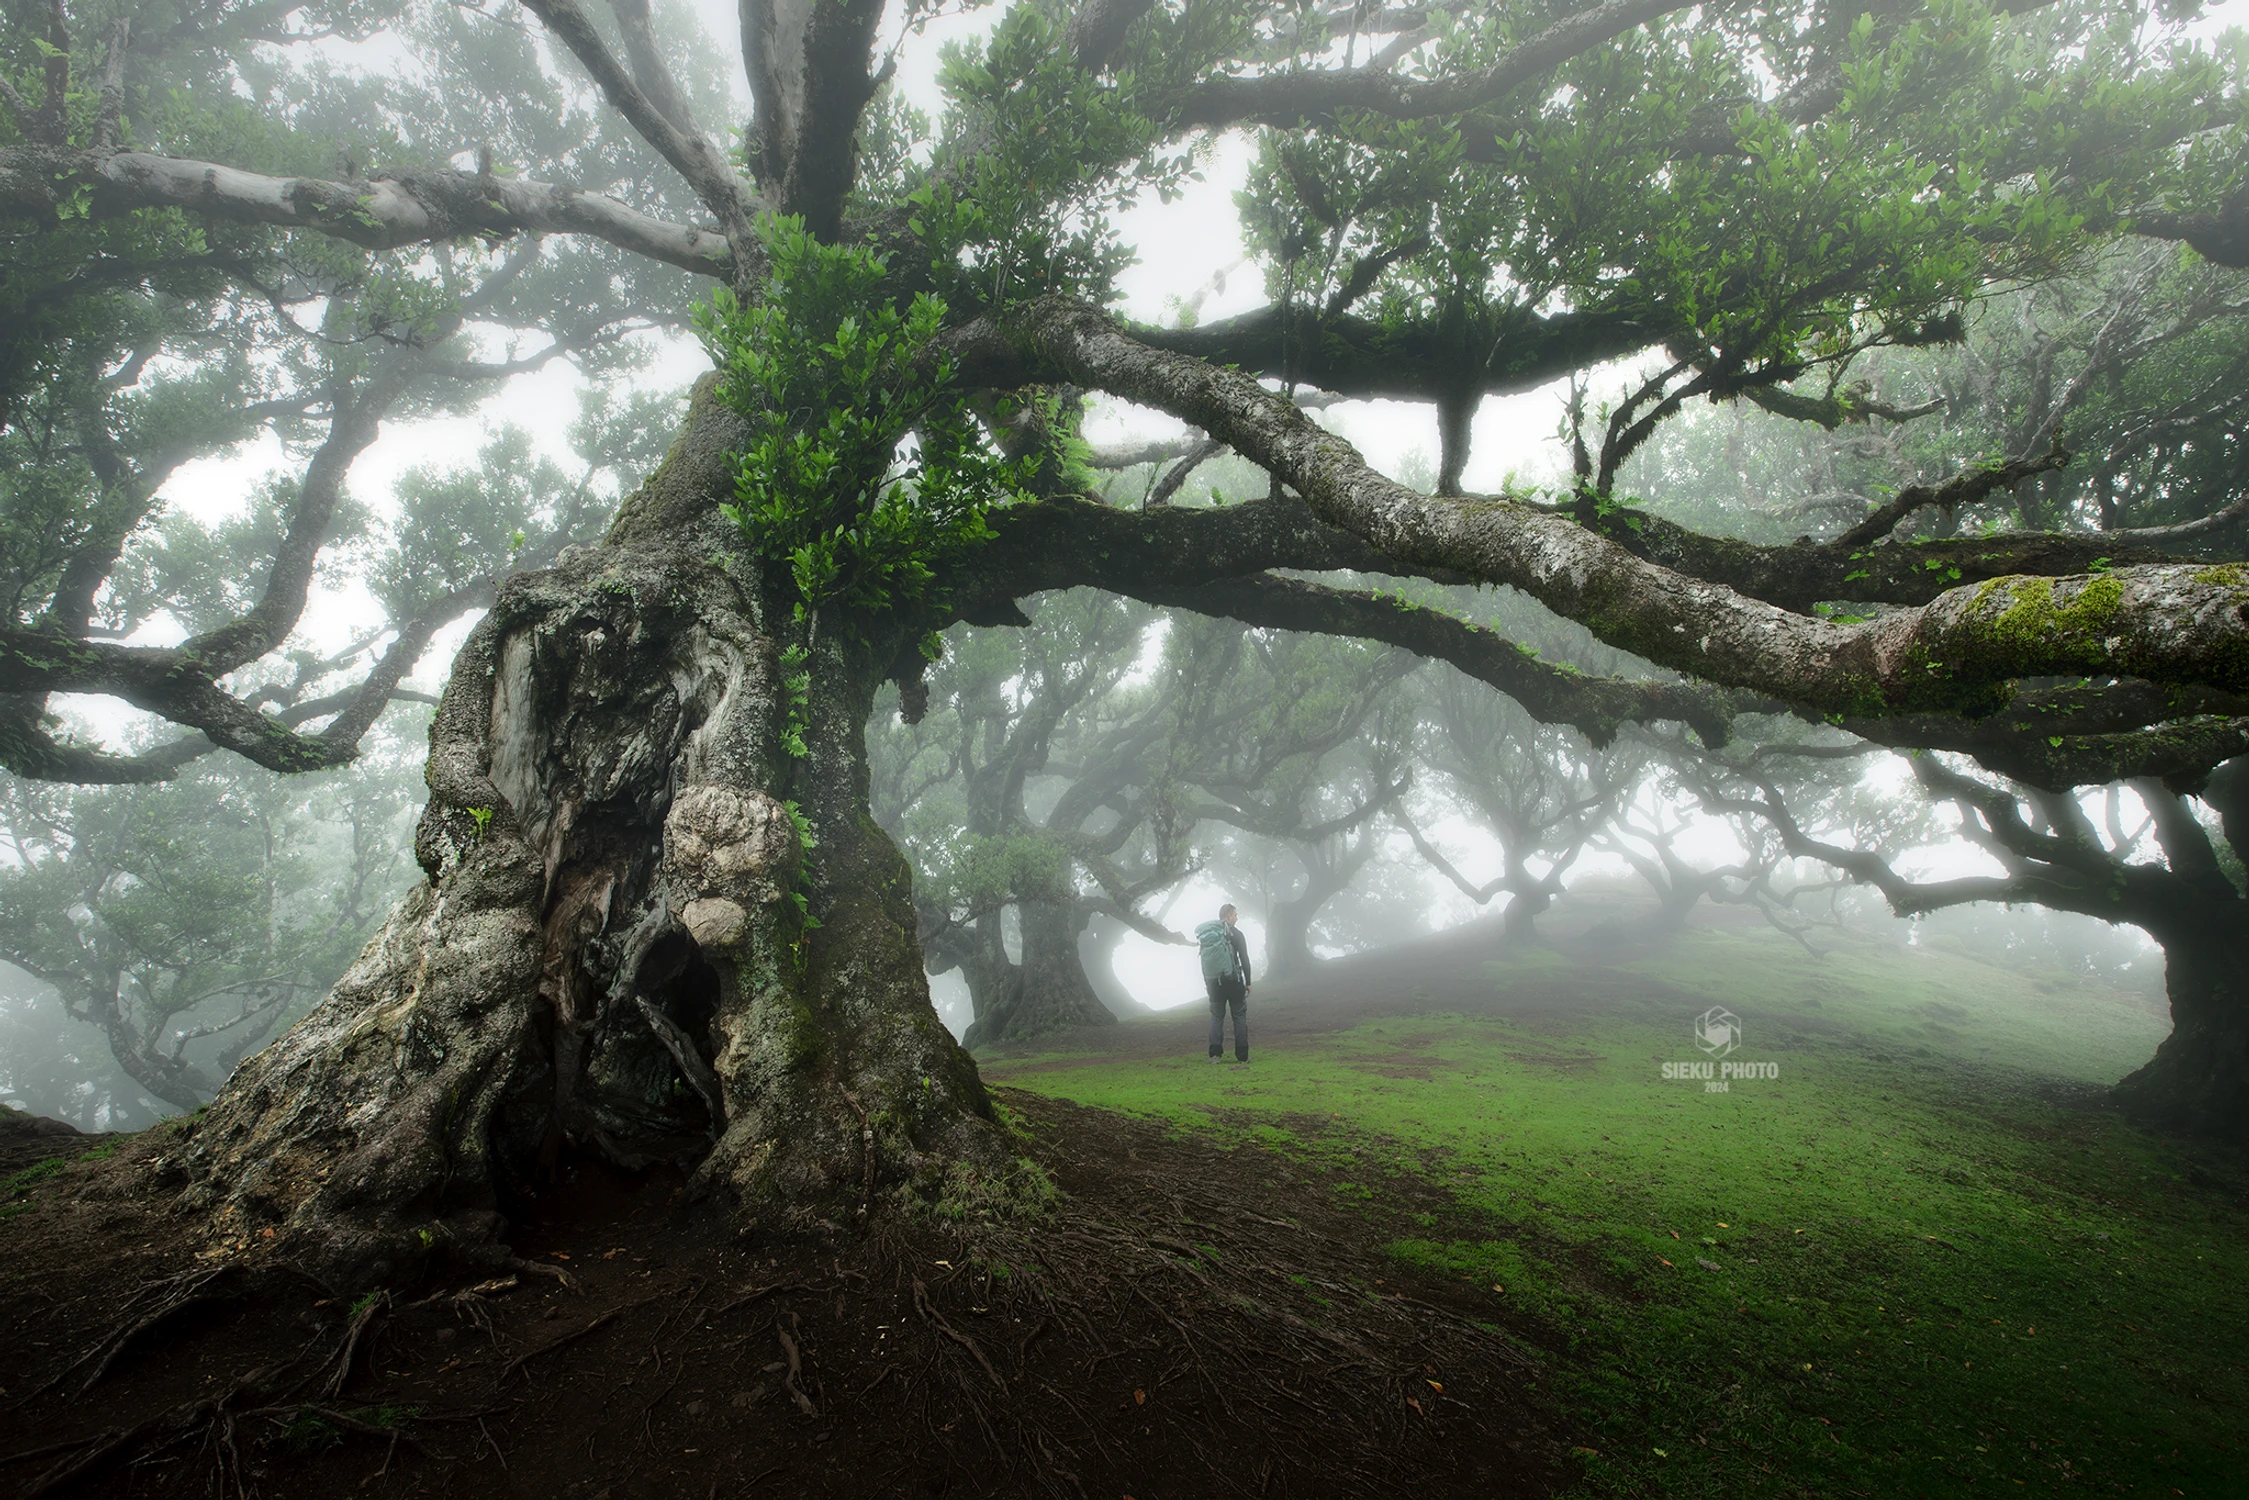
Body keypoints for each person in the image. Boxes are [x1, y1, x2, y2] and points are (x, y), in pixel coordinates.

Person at [1194, 903, 1253, 1064]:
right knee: (1239, 1016)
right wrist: (1248, 982)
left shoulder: (1209, 935)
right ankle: (1242, 1056)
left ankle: (1214, 1055)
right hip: (1234, 981)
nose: (1237, 917)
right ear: (1228, 916)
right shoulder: (1237, 934)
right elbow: (1244, 959)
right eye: (1235, 915)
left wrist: (1208, 983)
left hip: (1214, 983)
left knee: (1217, 1017)